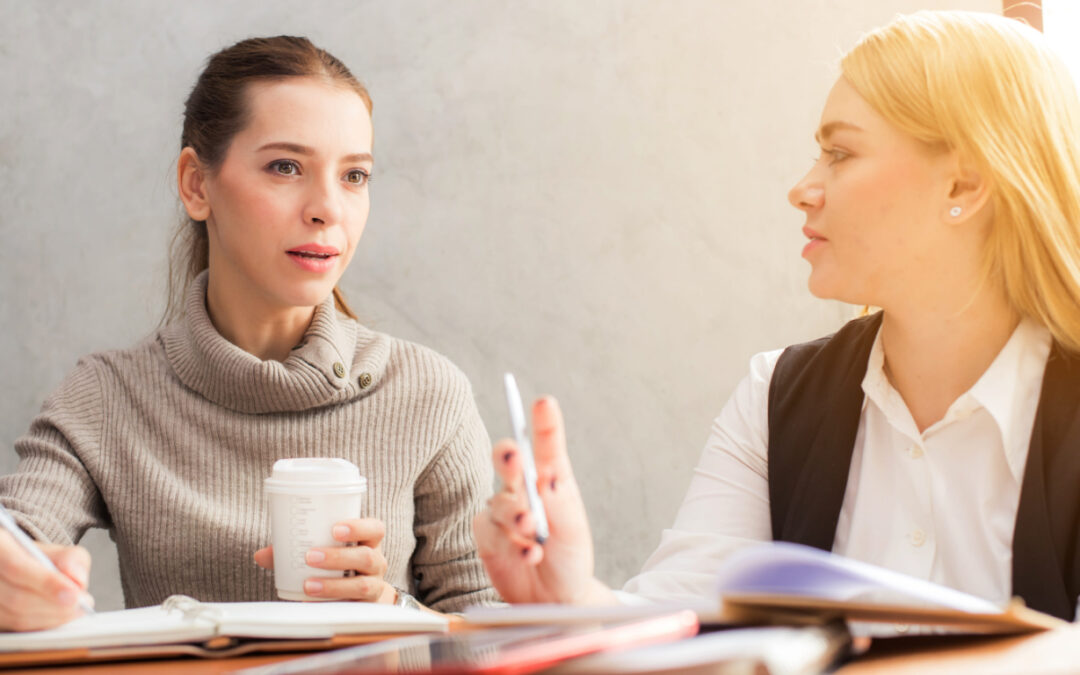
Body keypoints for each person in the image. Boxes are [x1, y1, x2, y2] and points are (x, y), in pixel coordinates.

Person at [475, 10, 1080, 622]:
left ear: (963, 185)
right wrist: (574, 597)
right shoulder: (776, 395)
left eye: (840, 153)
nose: (802, 188)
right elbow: (686, 623)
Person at [0, 35, 498, 632]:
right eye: (285, 166)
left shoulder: (428, 394)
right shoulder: (106, 398)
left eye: (355, 175)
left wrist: (392, 613)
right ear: (196, 184)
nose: (327, 209)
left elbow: (495, 636)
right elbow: (18, 539)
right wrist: (23, 584)